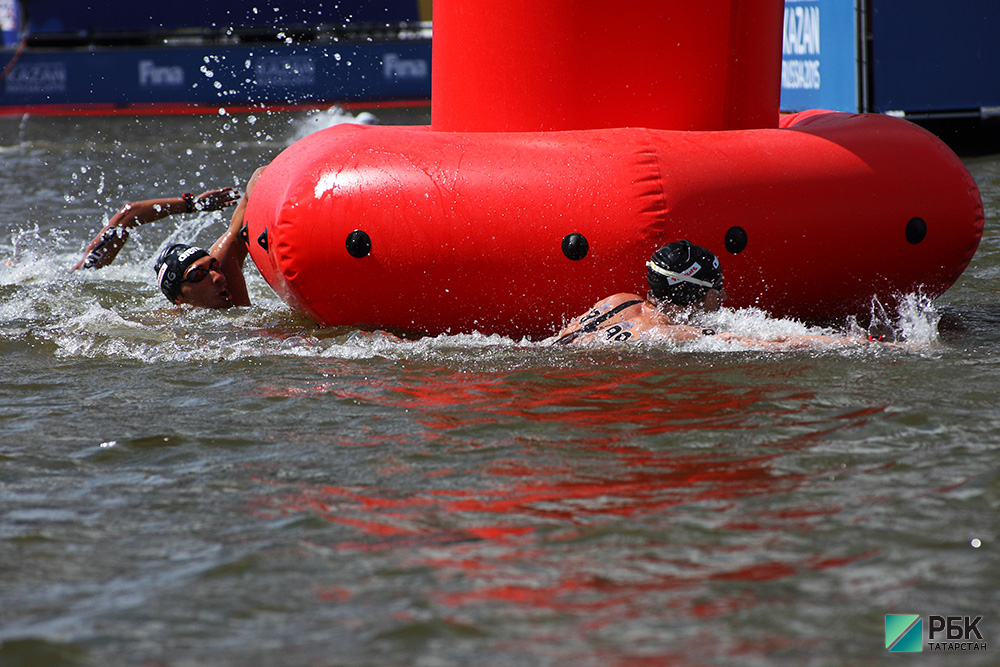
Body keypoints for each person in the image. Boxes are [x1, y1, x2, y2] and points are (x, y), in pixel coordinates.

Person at [550, 240, 883, 349]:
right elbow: (770, 345)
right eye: (715, 286)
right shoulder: (668, 332)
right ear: (693, 292)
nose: (722, 295)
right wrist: (860, 343)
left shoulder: (618, 300)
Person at [73, 168, 263, 310]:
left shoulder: (226, 286)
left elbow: (258, 177)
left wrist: (192, 204)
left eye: (214, 267)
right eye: (198, 274)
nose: (219, 278)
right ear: (178, 299)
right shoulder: (160, 326)